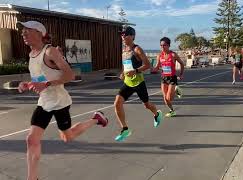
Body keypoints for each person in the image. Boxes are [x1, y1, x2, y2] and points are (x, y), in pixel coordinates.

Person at [17, 21, 108, 180]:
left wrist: (45, 84)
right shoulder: (31, 54)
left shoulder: (50, 51)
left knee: (68, 137)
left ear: (39, 33)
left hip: (60, 103)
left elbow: (70, 75)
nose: (23, 33)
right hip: (44, 103)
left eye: (27, 30)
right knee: (31, 139)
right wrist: (28, 84)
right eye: (22, 31)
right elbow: (42, 77)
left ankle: (96, 119)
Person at [113, 26, 163, 142]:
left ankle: (156, 114)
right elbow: (126, 66)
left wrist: (135, 71)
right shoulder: (124, 51)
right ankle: (125, 129)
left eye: (125, 34)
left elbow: (147, 65)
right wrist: (123, 73)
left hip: (139, 83)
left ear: (132, 36)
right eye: (122, 34)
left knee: (147, 105)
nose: (123, 36)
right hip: (128, 83)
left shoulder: (137, 49)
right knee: (117, 103)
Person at [152, 37, 185, 117]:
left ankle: (176, 89)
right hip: (164, 78)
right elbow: (157, 67)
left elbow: (182, 64)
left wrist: (181, 74)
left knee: (169, 97)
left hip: (172, 78)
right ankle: (172, 111)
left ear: (169, 45)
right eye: (161, 45)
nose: (162, 47)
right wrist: (153, 69)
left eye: (164, 45)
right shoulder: (159, 55)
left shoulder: (173, 55)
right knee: (165, 99)